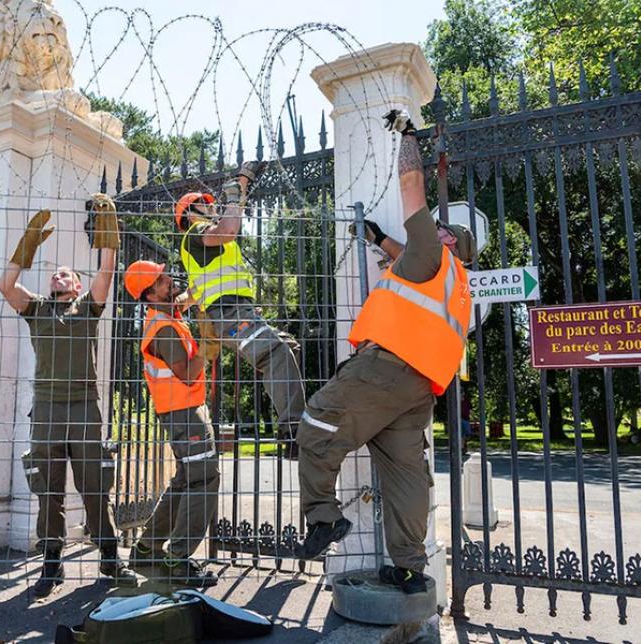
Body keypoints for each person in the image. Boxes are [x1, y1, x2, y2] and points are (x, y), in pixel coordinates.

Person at [293, 109, 476, 595]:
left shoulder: (432, 252)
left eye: (439, 227)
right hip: (418, 389)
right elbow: (403, 255)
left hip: (386, 367)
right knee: (404, 476)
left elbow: (411, 185)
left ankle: (322, 518)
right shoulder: (456, 284)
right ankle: (412, 569)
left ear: (448, 240)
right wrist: (376, 237)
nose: (432, 227)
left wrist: (408, 136)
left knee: (315, 423)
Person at [0, 194, 136, 597]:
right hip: (46, 409)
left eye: (67, 274)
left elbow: (107, 269)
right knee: (49, 490)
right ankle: (51, 565)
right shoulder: (37, 309)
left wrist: (108, 232)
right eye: (55, 273)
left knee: (95, 485)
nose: (59, 275)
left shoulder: (87, 309)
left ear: (76, 285)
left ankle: (109, 558)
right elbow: (5, 285)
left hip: (83, 408)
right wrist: (27, 245)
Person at [175, 162, 305, 458]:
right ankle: (294, 431)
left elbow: (195, 292)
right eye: (203, 205)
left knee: (288, 348)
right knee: (275, 354)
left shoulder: (201, 248)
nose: (210, 208)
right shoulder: (195, 233)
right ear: (189, 214)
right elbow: (230, 229)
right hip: (230, 313)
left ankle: (293, 419)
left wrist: (177, 304)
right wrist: (234, 196)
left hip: (237, 312)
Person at [121, 260, 221, 588]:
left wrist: (205, 287)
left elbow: (182, 300)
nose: (169, 280)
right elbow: (187, 372)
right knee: (202, 479)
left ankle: (147, 548)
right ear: (150, 295)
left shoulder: (165, 316)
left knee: (184, 481)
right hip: (184, 413)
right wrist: (209, 345)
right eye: (161, 280)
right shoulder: (162, 328)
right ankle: (179, 560)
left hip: (183, 410)